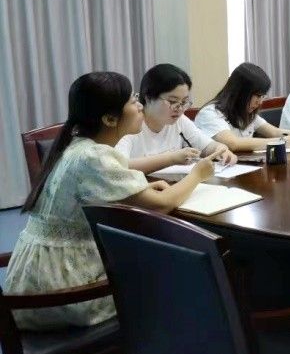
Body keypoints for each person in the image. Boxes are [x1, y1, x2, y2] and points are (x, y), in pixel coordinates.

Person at [5, 72, 216, 330]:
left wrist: (142, 189)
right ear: (109, 119)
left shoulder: (79, 146)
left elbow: (98, 191)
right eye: (133, 102)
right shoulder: (95, 157)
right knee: (177, 274)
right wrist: (198, 174)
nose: (140, 107)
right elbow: (161, 204)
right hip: (63, 288)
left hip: (38, 275)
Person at [116, 63, 236, 173]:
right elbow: (118, 166)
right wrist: (171, 158)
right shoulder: (129, 125)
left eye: (184, 102)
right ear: (148, 98)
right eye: (173, 101)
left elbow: (207, 146)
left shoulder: (179, 121)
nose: (179, 109)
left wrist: (221, 150)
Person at [195, 62, 290, 151]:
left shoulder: (246, 112)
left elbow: (274, 132)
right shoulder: (210, 113)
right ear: (240, 93)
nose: (260, 102)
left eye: (263, 96)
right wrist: (283, 142)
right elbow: (233, 143)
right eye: (258, 96)